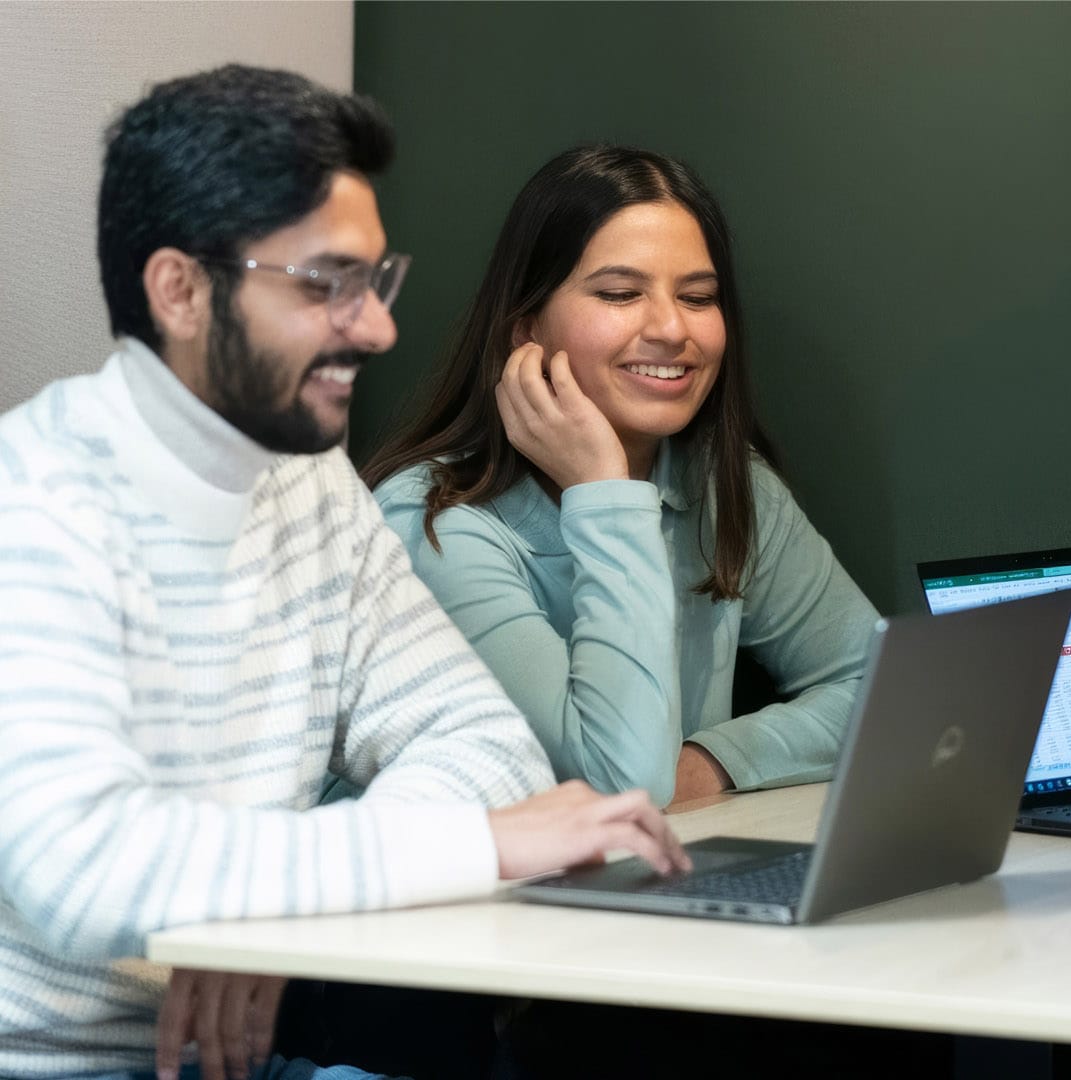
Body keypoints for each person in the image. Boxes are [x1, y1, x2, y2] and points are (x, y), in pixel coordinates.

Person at [0, 66, 687, 1080]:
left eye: (375, 281)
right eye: (326, 285)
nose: (376, 328)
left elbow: (485, 744)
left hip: (244, 1057)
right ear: (180, 290)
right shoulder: (33, 505)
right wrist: (472, 847)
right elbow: (88, 872)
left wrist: (265, 909)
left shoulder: (309, 487)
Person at [360, 146, 878, 806]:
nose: (670, 328)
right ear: (525, 329)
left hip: (645, 889)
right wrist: (607, 495)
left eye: (698, 297)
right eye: (619, 294)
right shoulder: (430, 522)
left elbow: (880, 686)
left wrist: (712, 759)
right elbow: (620, 780)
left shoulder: (726, 487)